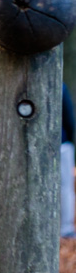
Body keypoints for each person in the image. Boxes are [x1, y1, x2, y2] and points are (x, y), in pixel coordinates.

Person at [61, 83, 76, 239]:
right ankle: (66, 228)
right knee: (65, 188)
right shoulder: (61, 86)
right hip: (62, 144)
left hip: (42, 146)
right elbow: (69, 118)